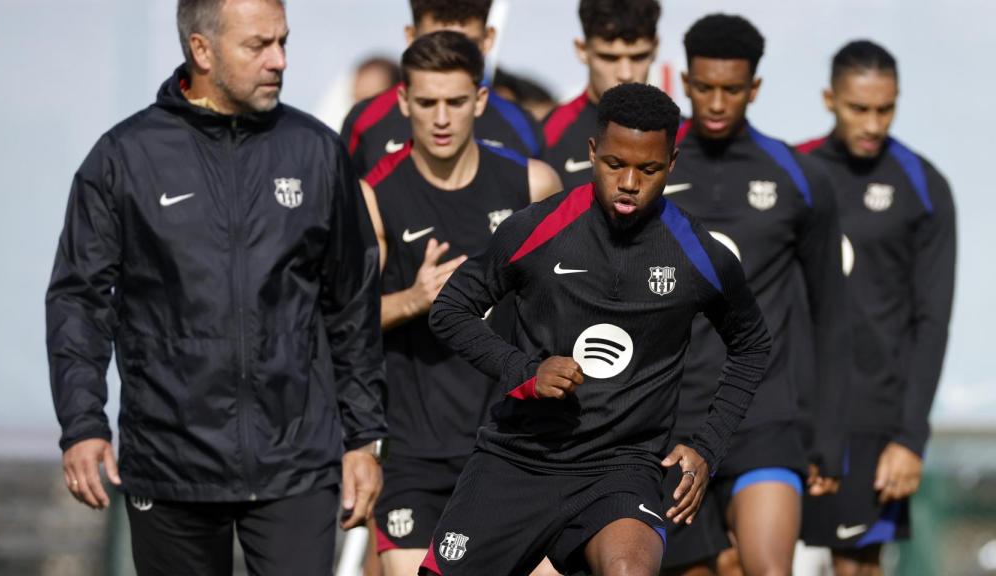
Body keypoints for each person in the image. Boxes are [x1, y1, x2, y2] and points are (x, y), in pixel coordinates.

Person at [45, 1, 387, 574]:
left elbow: (351, 303)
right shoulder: (125, 157)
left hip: (296, 464)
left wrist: (363, 439)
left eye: (283, 41)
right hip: (170, 458)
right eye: (258, 45)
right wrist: (82, 424)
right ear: (201, 50)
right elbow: (79, 299)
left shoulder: (315, 152)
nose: (279, 60)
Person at [420, 82, 772, 576]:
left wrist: (708, 447)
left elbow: (753, 345)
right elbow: (451, 309)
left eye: (648, 169)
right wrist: (525, 371)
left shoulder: (698, 254)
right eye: (613, 164)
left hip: (620, 469)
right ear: (592, 153)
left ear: (671, 163)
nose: (629, 181)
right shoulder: (535, 229)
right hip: (518, 458)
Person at [359, 30, 561, 576]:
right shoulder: (375, 196)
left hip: (514, 445)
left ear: (479, 99)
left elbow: (569, 305)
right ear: (404, 102)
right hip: (415, 455)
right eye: (426, 103)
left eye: (454, 101)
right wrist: (412, 299)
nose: (441, 117)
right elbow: (344, 326)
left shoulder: (531, 184)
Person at [660, 14, 850, 576]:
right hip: (674, 418)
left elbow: (831, 313)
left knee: (768, 567)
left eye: (733, 89)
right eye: (705, 87)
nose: (717, 102)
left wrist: (829, 434)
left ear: (755, 88)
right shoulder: (651, 170)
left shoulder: (800, 177)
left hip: (764, 414)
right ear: (686, 82)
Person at [796, 40, 956, 576]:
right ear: (829, 98)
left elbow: (932, 322)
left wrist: (910, 439)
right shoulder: (794, 172)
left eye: (884, 108)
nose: (872, 122)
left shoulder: (923, 187)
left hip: (872, 415)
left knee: (856, 568)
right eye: (858, 108)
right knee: (741, 558)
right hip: (787, 410)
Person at [341, 0, 544, 177]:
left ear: (488, 39)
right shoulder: (365, 122)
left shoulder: (521, 126)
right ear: (411, 36)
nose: (449, 60)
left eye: (466, 46)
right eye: (434, 44)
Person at [543, 0, 661, 192]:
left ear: (655, 48)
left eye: (638, 57)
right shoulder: (547, 135)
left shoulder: (678, 134)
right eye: (609, 57)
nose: (626, 73)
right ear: (582, 50)